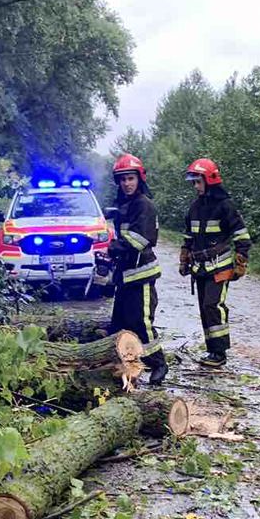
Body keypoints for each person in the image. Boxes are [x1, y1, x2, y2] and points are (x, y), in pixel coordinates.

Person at [98, 153, 169, 386]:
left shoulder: (144, 205)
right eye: (123, 179)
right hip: (127, 276)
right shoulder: (124, 206)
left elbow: (139, 240)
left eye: (130, 178)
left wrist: (112, 249)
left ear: (139, 179)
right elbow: (123, 241)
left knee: (141, 322)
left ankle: (158, 364)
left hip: (142, 276)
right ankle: (122, 369)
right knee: (118, 324)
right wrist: (111, 259)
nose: (127, 183)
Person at [179, 158, 250, 368]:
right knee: (204, 308)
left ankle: (219, 352)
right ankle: (211, 350)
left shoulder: (224, 206)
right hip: (199, 268)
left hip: (220, 266)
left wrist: (241, 260)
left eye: (198, 182)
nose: (196, 186)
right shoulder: (194, 208)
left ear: (210, 180)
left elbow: (241, 235)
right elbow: (188, 237)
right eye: (193, 182)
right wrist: (184, 258)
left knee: (213, 305)